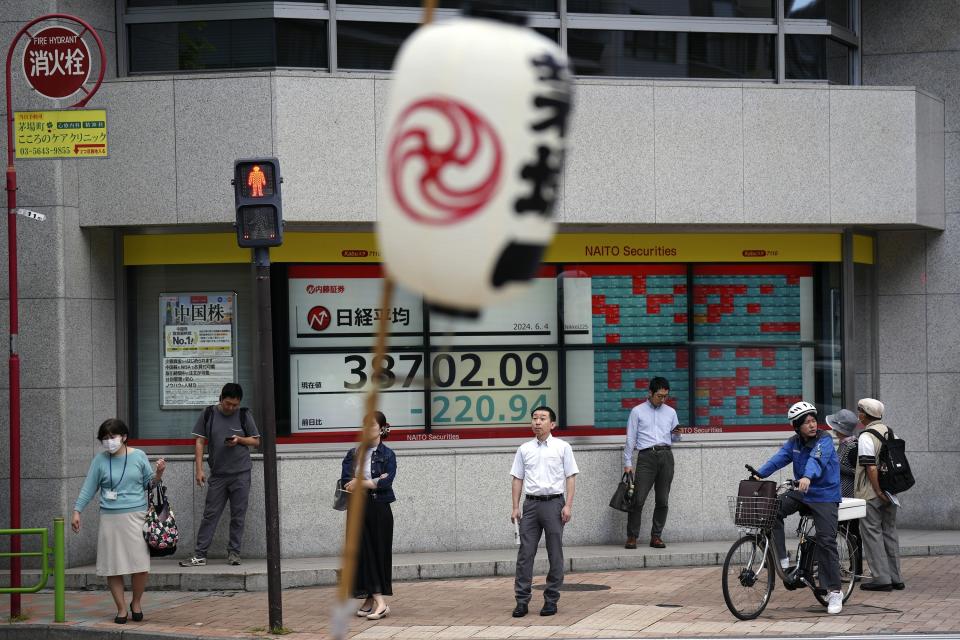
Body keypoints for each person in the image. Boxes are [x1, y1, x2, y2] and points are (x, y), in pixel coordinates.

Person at [754, 401, 844, 615]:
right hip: (802, 492)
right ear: (797, 427)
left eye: (814, 420)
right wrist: (759, 474)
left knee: (826, 541)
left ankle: (834, 591)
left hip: (824, 494)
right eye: (807, 422)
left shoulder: (825, 440)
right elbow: (778, 459)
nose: (812, 425)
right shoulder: (794, 442)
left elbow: (816, 460)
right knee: (772, 510)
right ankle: (783, 560)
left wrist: (806, 476)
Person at [72, 419, 166, 624]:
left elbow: (149, 484)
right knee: (113, 566)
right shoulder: (99, 460)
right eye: (104, 438)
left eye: (112, 437)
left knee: (140, 565)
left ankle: (136, 602)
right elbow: (89, 487)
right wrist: (77, 510)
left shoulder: (139, 456)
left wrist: (158, 473)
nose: (109, 442)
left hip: (136, 516)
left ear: (123, 437)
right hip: (110, 518)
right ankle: (121, 608)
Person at [180, 383, 260, 567]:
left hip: (241, 473)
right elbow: (200, 442)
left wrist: (239, 440)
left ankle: (234, 552)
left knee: (238, 515)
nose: (231, 408)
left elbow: (255, 441)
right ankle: (200, 554)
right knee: (210, 514)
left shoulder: (244, 414)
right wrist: (199, 470)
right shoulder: (208, 413)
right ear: (220, 398)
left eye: (235, 405)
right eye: (228, 403)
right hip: (218, 474)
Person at [510, 406, 578, 618]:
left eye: (542, 418)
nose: (537, 422)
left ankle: (551, 600)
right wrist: (515, 507)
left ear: (552, 424)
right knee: (525, 555)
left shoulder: (562, 447)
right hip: (530, 506)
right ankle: (522, 601)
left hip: (554, 504)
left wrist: (568, 505)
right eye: (534, 418)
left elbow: (571, 476)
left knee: (554, 553)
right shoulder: (524, 449)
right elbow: (517, 478)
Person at [341, 411, 397, 620]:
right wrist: (372, 481)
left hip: (380, 508)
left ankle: (376, 602)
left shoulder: (388, 454)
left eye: (372, 426)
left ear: (382, 428)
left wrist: (361, 482)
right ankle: (376, 601)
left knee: (378, 554)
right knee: (363, 553)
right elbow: (347, 480)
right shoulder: (353, 453)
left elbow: (386, 483)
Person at [623, 376, 678, 549]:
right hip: (646, 456)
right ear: (650, 393)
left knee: (662, 499)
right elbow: (631, 438)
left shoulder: (671, 412)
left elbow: (675, 437)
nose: (662, 399)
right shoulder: (637, 411)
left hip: (666, 456)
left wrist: (677, 434)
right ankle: (632, 536)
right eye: (659, 396)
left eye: (665, 396)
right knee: (638, 499)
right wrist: (628, 462)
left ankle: (656, 536)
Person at [855, 398, 904, 592]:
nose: (858, 414)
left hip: (872, 493)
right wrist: (886, 490)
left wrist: (877, 490)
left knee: (872, 533)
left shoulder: (866, 436)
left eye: (859, 411)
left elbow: (871, 468)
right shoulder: (891, 432)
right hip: (891, 491)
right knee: (890, 532)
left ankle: (881, 579)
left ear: (864, 415)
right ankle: (896, 577)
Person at [826, 407, 863, 574]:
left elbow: (859, 472)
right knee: (837, 532)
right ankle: (835, 567)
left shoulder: (853, 447)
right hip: (840, 495)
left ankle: (856, 568)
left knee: (852, 533)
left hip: (849, 497)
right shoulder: (843, 445)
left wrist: (837, 467)